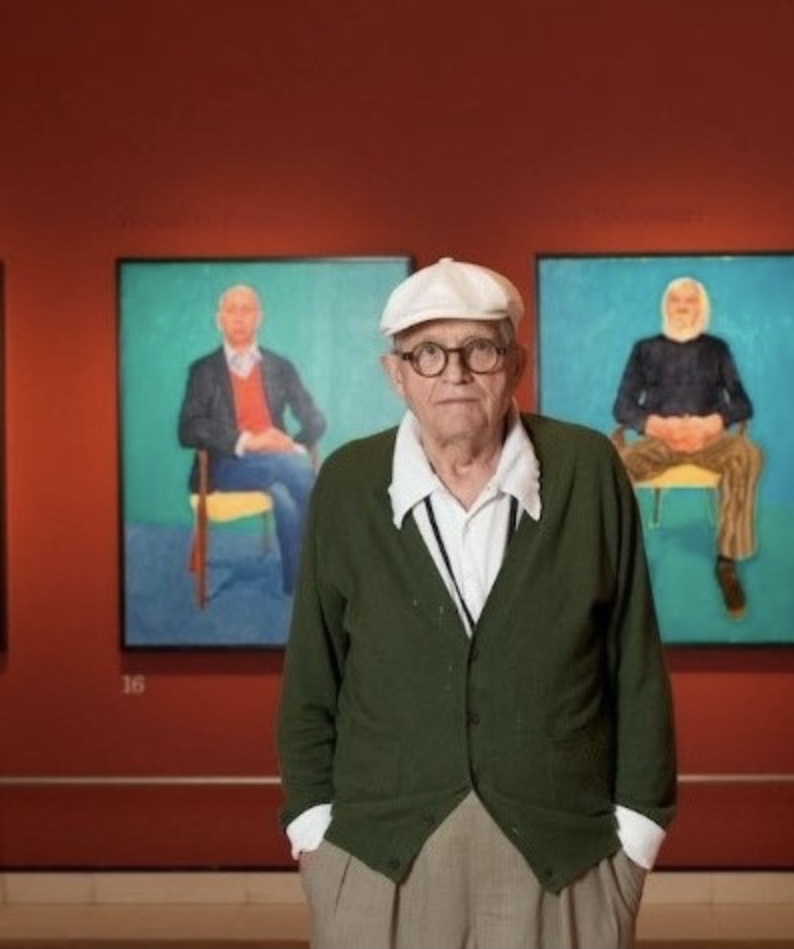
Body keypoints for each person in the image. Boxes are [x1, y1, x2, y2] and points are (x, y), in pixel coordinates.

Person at [276, 257, 677, 949]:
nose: (454, 373)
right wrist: (313, 830)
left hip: (565, 853)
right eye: (427, 353)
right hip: (376, 853)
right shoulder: (348, 482)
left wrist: (637, 837)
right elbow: (314, 673)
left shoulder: (586, 469)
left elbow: (634, 663)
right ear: (395, 374)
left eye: (479, 349)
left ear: (515, 364)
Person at [611, 276, 763, 618]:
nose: (682, 308)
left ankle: (726, 562)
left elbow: (742, 404)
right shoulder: (644, 349)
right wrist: (654, 425)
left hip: (707, 441)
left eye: (689, 301)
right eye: (675, 301)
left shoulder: (717, 349)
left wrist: (710, 424)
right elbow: (622, 406)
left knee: (747, 455)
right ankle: (619, 566)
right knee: (613, 466)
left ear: (701, 308)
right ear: (665, 307)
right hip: (658, 442)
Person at [178, 283, 326, 597]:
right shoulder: (204, 370)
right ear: (219, 319)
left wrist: (291, 444)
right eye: (231, 310)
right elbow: (188, 428)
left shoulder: (280, 367)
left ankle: (297, 586)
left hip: (278, 464)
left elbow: (314, 418)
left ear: (258, 317)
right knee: (293, 471)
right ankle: (332, 558)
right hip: (225, 466)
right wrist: (247, 441)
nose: (238, 318)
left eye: (246, 310)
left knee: (284, 495)